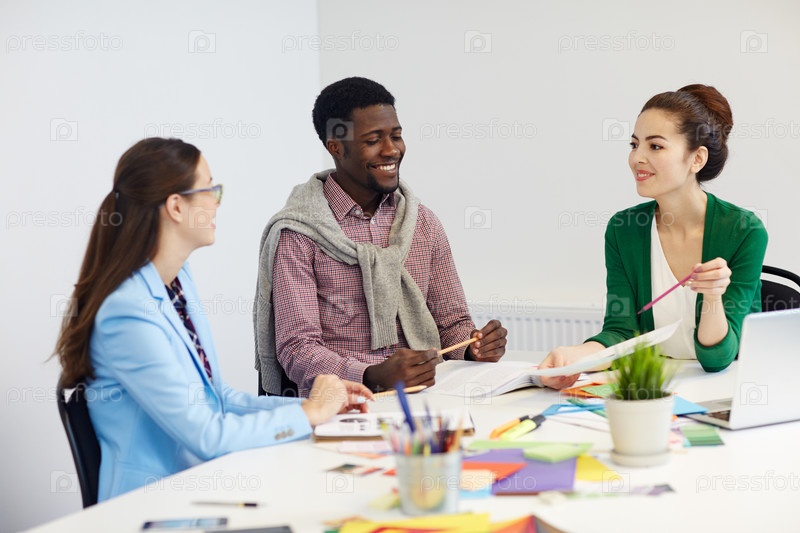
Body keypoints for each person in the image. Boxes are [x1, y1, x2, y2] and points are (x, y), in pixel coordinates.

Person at [55, 138, 372, 501]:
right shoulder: (127, 314)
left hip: (201, 484)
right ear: (176, 207)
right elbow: (208, 436)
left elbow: (217, 399)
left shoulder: (178, 281)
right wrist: (311, 413)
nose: (216, 203)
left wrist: (316, 406)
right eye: (210, 189)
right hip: (152, 503)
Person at [255, 77, 508, 397]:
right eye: (374, 140)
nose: (391, 150)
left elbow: (452, 325)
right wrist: (372, 375)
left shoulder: (423, 223)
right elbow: (297, 349)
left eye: (396, 136)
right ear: (336, 147)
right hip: (344, 403)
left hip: (428, 396)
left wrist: (474, 347)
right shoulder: (299, 235)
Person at [540, 84, 768, 390]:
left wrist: (713, 296)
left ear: (696, 159)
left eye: (655, 146)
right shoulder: (624, 229)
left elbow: (718, 358)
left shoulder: (744, 230)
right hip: (657, 388)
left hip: (729, 391)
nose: (637, 158)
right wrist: (573, 357)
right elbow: (621, 333)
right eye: (634, 145)